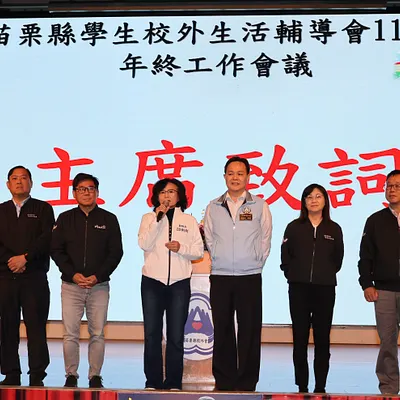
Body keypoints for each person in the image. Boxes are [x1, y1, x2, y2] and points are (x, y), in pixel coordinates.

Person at [204, 156, 272, 391]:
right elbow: (209, 238)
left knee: (250, 329)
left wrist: (255, 261)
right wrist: (219, 258)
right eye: (231, 173)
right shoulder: (213, 206)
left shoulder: (260, 205)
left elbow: (265, 239)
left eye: (240, 173)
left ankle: (247, 380)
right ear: (225, 177)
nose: (235, 177)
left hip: (249, 276)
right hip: (221, 276)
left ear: (248, 177)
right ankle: (224, 380)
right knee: (222, 327)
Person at [51, 173, 123, 388]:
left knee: (98, 333)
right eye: (82, 189)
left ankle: (95, 375)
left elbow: (115, 252)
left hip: (99, 286)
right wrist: (72, 274)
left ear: (97, 192)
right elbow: (56, 250)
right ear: (74, 193)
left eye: (91, 188)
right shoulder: (65, 218)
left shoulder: (109, 219)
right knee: (69, 334)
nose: (87, 192)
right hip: (71, 285)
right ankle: (71, 374)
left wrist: (98, 276)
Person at [138, 178, 203, 390]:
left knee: (176, 335)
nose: (167, 196)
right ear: (157, 196)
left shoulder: (189, 221)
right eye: (163, 192)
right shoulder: (149, 218)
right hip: (152, 282)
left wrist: (181, 248)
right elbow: (144, 243)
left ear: (179, 195)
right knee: (152, 334)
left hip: (179, 283)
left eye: (172, 192)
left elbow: (198, 251)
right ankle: (153, 381)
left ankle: (174, 382)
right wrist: (158, 219)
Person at [280, 183, 344, 394]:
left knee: (322, 338)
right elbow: (285, 256)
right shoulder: (293, 227)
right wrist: (292, 274)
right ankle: (302, 385)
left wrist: (324, 274)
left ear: (325, 201)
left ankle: (320, 385)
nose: (313, 200)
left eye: (318, 196)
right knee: (299, 338)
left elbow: (338, 260)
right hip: (298, 289)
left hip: (325, 289)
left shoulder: (334, 229)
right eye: (309, 197)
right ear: (304, 202)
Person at [0, 165, 55, 387]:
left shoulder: (43, 208)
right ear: (8, 184)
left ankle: (37, 374)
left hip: (34, 276)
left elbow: (46, 238)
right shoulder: (1, 210)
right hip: (5, 277)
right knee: (7, 326)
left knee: (36, 326)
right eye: (14, 178)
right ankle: (10, 372)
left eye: (24, 178)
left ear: (31, 183)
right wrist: (11, 261)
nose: (19, 181)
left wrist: (25, 258)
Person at [358, 169, 400, 395]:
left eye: (397, 186)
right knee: (387, 343)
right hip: (384, 290)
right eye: (389, 185)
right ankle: (389, 388)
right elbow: (365, 256)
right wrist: (367, 283)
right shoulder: (375, 221)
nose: (392, 190)